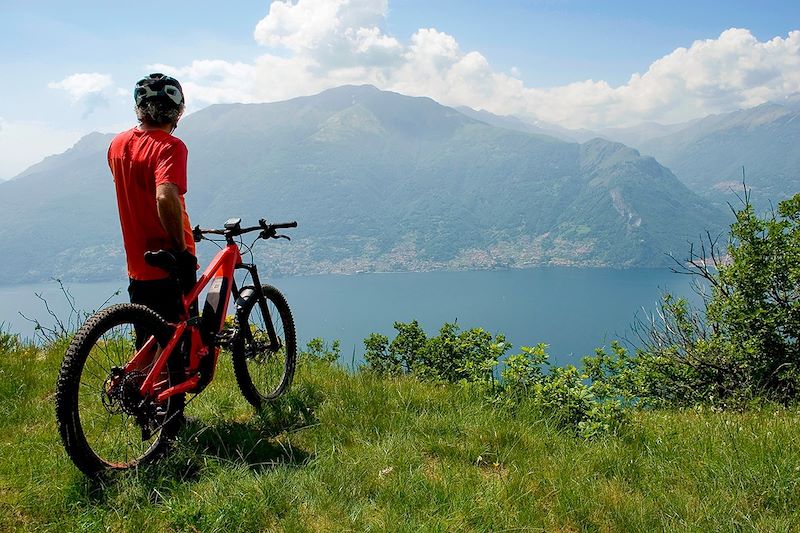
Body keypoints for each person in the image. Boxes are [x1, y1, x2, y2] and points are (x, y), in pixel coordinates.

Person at [108, 73, 197, 325]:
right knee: (180, 338)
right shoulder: (170, 146)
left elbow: (136, 193)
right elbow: (164, 197)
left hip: (137, 262)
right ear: (178, 111)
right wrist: (181, 250)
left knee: (148, 340)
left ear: (139, 108)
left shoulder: (117, 144)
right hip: (169, 262)